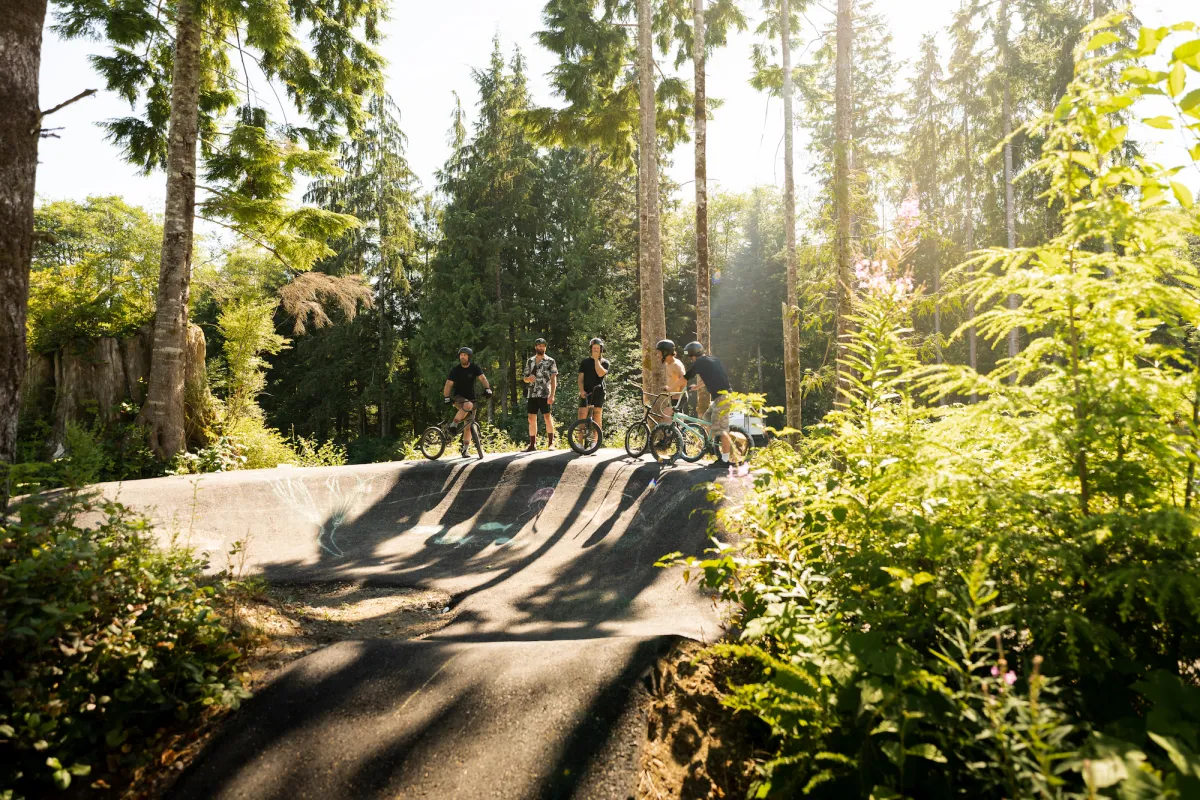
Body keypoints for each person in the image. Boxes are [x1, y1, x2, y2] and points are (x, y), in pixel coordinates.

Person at [681, 341, 738, 466]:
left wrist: (673, 388)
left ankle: (725, 460)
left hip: (723, 398)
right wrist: (697, 387)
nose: (691, 359)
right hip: (722, 397)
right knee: (707, 418)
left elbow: (685, 377)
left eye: (690, 356)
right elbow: (711, 377)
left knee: (722, 429)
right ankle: (712, 446)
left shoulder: (699, 363)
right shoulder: (712, 359)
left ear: (692, 355)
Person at [442, 347, 493, 455]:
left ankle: (465, 450)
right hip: (458, 398)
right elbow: (448, 384)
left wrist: (487, 389)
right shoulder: (455, 370)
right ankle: (453, 426)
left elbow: (483, 378)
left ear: (469, 357)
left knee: (468, 427)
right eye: (461, 355)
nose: (462, 357)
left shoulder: (474, 368)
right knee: (468, 405)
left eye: (465, 355)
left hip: (471, 398)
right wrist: (446, 397)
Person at [522, 338, 558, 451]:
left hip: (544, 393)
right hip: (532, 393)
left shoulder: (550, 361)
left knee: (547, 417)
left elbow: (553, 379)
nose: (541, 348)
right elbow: (524, 378)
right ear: (535, 347)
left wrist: (552, 395)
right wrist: (528, 379)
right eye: (539, 346)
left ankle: (551, 443)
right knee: (531, 418)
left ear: (545, 347)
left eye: (543, 346)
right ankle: (532, 444)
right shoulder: (530, 361)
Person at [577, 337, 609, 431]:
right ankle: (579, 444)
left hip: (599, 391)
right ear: (591, 349)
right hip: (586, 391)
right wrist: (581, 390)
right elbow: (580, 379)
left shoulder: (605, 362)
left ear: (601, 350)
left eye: (597, 348)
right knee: (582, 415)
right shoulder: (584, 362)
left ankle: (595, 442)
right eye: (594, 348)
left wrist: (596, 360)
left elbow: (600, 373)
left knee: (597, 415)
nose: (595, 350)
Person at [656, 339, 688, 422]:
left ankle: (671, 434)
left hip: (679, 396)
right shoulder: (668, 364)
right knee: (677, 420)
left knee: (666, 414)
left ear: (665, 352)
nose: (658, 355)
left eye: (659, 352)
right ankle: (680, 433)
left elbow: (684, 379)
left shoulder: (676, 364)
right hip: (673, 396)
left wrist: (679, 394)